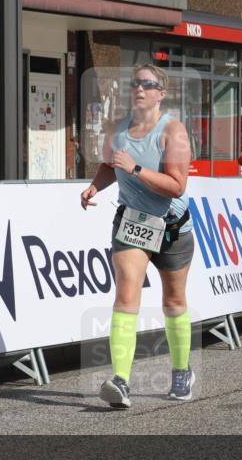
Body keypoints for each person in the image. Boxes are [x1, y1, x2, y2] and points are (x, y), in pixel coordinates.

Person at [80, 64, 195, 409]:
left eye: (148, 84)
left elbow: (177, 186)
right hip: (132, 224)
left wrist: (136, 169)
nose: (140, 89)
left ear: (161, 93)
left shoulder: (172, 132)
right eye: (135, 83)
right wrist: (93, 186)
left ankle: (181, 372)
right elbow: (109, 165)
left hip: (172, 229)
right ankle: (120, 380)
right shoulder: (117, 128)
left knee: (173, 302)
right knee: (126, 293)